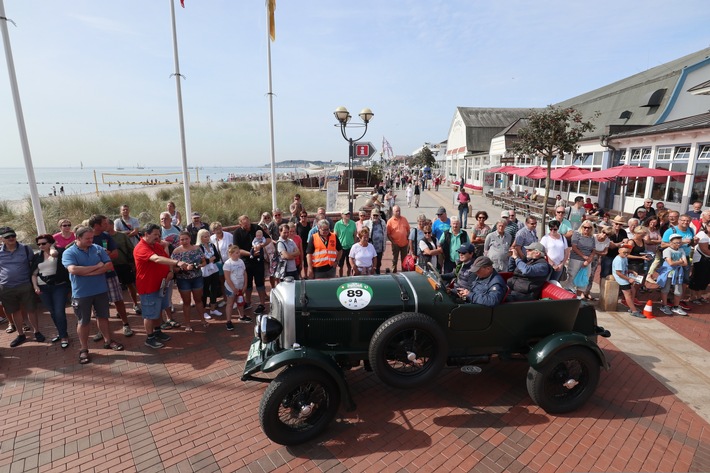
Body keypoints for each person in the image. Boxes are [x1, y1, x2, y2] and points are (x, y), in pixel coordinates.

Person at [62, 226, 124, 364]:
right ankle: (84, 349)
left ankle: (108, 340)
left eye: (91, 238)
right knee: (83, 321)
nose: (91, 240)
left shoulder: (97, 248)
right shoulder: (69, 252)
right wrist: (97, 267)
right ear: (78, 238)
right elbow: (73, 269)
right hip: (81, 293)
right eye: (87, 238)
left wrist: (86, 272)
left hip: (100, 290)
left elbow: (108, 266)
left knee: (103, 317)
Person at [132, 223, 178, 349]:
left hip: (161, 285)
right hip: (148, 287)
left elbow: (166, 258)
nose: (158, 237)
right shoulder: (141, 248)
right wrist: (177, 262)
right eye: (155, 234)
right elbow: (157, 259)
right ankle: (150, 338)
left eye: (159, 234)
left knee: (158, 310)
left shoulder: (156, 245)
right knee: (149, 314)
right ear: (146, 234)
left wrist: (170, 271)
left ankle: (157, 331)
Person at [89, 215, 133, 340]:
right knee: (97, 305)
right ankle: (101, 331)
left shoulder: (106, 237)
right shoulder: (86, 237)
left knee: (118, 299)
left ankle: (126, 324)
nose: (107, 225)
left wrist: (104, 254)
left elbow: (115, 254)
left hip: (109, 275)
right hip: (94, 277)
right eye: (104, 223)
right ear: (97, 225)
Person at [31, 234, 70, 348]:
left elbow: (55, 254)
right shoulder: (37, 256)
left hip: (59, 286)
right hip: (43, 288)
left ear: (50, 243)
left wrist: (52, 247)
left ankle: (64, 337)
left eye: (43, 243)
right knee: (53, 312)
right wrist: (35, 286)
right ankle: (62, 333)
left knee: (59, 311)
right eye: (38, 244)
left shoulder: (58, 251)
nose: (41, 246)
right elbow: (33, 274)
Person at [233, 214, 270, 314]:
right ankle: (248, 302)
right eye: (245, 225)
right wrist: (251, 253)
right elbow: (237, 249)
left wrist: (262, 245)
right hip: (246, 261)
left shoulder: (256, 227)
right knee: (247, 284)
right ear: (240, 224)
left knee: (260, 283)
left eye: (248, 224)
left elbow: (268, 239)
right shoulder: (237, 233)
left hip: (258, 261)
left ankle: (262, 304)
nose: (248, 226)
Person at [171, 231, 207, 331]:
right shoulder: (176, 252)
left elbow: (204, 261)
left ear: (190, 239)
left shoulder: (197, 249)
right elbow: (174, 268)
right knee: (186, 302)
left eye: (186, 239)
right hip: (183, 280)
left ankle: (203, 320)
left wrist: (199, 265)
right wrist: (184, 268)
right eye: (182, 239)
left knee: (198, 300)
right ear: (179, 240)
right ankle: (187, 324)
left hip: (197, 277)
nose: (184, 241)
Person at [106, 220, 141, 314]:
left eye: (106, 224)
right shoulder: (103, 237)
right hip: (110, 266)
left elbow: (131, 249)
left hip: (124, 264)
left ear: (112, 225)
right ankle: (120, 310)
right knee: (115, 288)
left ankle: (135, 304)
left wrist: (133, 263)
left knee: (130, 284)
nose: (104, 226)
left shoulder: (122, 236)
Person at [656, 234, 688, 316]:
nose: (678, 244)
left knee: (678, 291)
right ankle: (664, 305)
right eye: (676, 243)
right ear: (671, 242)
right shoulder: (667, 250)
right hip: (668, 272)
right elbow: (670, 263)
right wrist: (680, 262)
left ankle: (676, 306)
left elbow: (685, 263)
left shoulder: (681, 250)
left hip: (678, 273)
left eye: (679, 243)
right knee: (665, 289)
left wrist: (677, 263)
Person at [565, 222, 596, 297]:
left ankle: (578, 297)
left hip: (587, 260)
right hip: (576, 258)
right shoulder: (577, 234)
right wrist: (584, 256)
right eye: (584, 227)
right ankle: (568, 297)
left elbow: (594, 249)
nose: (586, 229)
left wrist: (589, 259)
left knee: (584, 278)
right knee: (572, 276)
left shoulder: (592, 237)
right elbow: (574, 247)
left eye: (589, 228)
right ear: (581, 227)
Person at [612, 246, 644, 318]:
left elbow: (624, 269)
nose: (626, 254)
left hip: (625, 276)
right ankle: (634, 311)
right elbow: (619, 273)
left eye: (628, 253)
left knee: (633, 290)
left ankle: (631, 308)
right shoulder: (618, 260)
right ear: (619, 251)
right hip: (621, 278)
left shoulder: (624, 258)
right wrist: (628, 279)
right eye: (624, 252)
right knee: (628, 294)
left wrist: (632, 271)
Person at [223, 244, 249, 330]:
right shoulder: (227, 263)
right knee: (230, 304)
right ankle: (228, 321)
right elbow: (227, 277)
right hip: (231, 288)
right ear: (231, 254)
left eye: (238, 253)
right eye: (236, 253)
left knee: (240, 302)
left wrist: (245, 284)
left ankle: (242, 316)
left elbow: (244, 273)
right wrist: (233, 288)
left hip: (240, 286)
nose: (238, 254)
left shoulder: (241, 261)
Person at [197, 229, 222, 319]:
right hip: (205, 271)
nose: (207, 238)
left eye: (208, 236)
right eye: (205, 236)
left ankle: (212, 308)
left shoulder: (212, 245)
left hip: (214, 269)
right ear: (201, 238)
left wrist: (209, 260)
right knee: (205, 291)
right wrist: (210, 260)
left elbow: (217, 257)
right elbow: (201, 260)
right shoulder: (199, 247)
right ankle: (203, 311)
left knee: (214, 288)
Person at [583, 227, 612, 300]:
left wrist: (595, 252)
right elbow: (588, 248)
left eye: (607, 234)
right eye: (604, 232)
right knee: (584, 274)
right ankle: (581, 292)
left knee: (591, 275)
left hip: (596, 259)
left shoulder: (607, 241)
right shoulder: (594, 237)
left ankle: (587, 292)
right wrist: (597, 252)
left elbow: (605, 252)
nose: (604, 235)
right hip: (587, 257)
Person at [688, 220, 710, 303]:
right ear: (706, 226)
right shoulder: (702, 235)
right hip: (701, 259)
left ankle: (699, 296)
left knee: (706, 279)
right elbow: (705, 250)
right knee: (697, 278)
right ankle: (693, 297)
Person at [386, 205, 411, 273]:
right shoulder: (390, 221)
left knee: (404, 260)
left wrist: (408, 239)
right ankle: (394, 273)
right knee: (395, 260)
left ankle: (404, 273)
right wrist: (393, 242)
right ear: (393, 212)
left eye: (399, 211)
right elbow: (388, 234)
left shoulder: (404, 219)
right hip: (395, 244)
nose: (398, 212)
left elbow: (408, 230)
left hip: (404, 243)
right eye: (396, 211)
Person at [334, 210, 357, 277]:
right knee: (340, 265)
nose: (348, 215)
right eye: (346, 214)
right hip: (341, 248)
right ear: (342, 215)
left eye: (348, 214)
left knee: (349, 265)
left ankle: (348, 277)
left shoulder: (353, 223)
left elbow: (355, 235)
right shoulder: (338, 224)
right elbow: (335, 236)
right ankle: (341, 278)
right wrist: (337, 247)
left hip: (350, 247)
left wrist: (354, 245)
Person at [363, 209, 387, 275]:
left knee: (378, 263)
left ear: (379, 215)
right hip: (370, 247)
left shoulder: (382, 222)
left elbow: (385, 233)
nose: (375, 217)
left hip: (379, 248)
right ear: (371, 215)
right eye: (374, 215)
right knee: (370, 263)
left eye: (377, 215)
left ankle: (378, 275)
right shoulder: (366, 223)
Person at [296, 211, 311, 278]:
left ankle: (305, 275)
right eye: (302, 216)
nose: (303, 217)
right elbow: (296, 235)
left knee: (306, 260)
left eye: (305, 216)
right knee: (299, 260)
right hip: (299, 244)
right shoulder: (297, 225)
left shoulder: (309, 224)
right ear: (300, 217)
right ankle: (299, 275)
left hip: (307, 244)